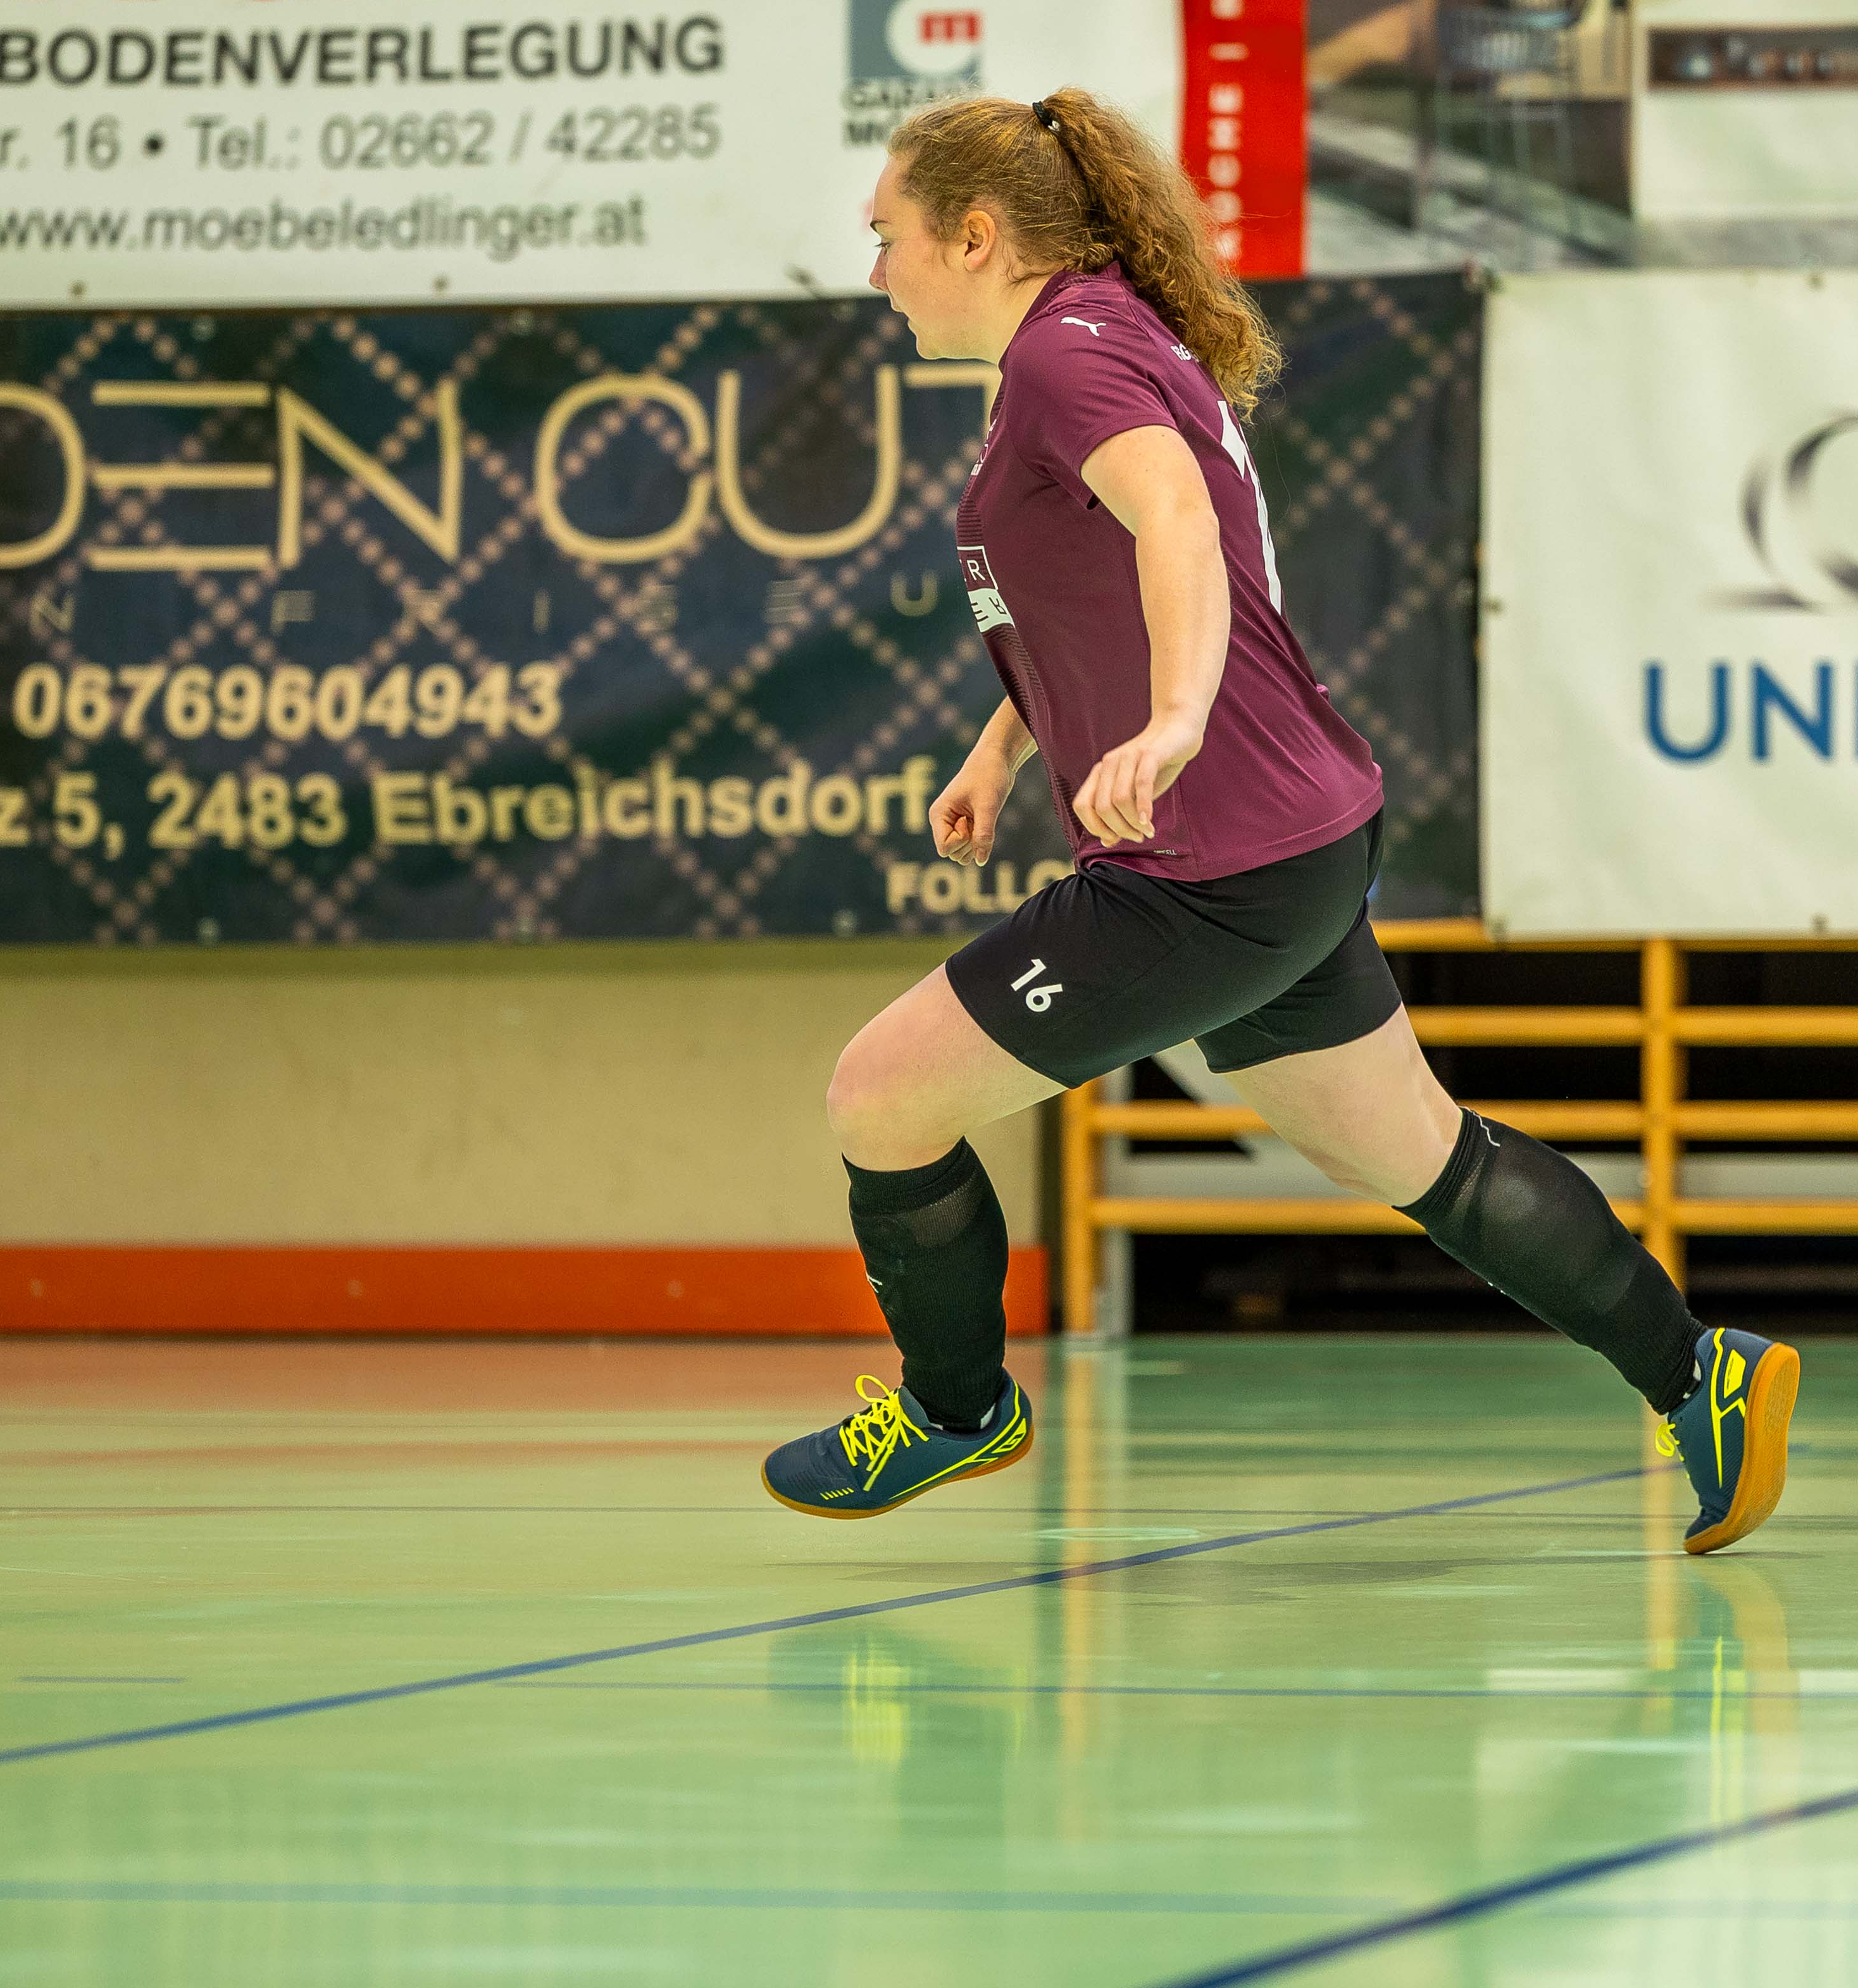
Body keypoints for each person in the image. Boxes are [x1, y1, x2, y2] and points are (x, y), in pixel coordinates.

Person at [757, 87, 1800, 1556]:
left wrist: (1173, 722)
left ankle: (953, 1407)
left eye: (889, 238)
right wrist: (1003, 744)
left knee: (879, 1099)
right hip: (1287, 845)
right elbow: (1091, 588)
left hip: (1201, 871)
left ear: (975, 236)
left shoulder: (1064, 356)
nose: (876, 273)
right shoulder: (1101, 331)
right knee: (1425, 1158)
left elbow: (1178, 527)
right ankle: (1701, 1374)